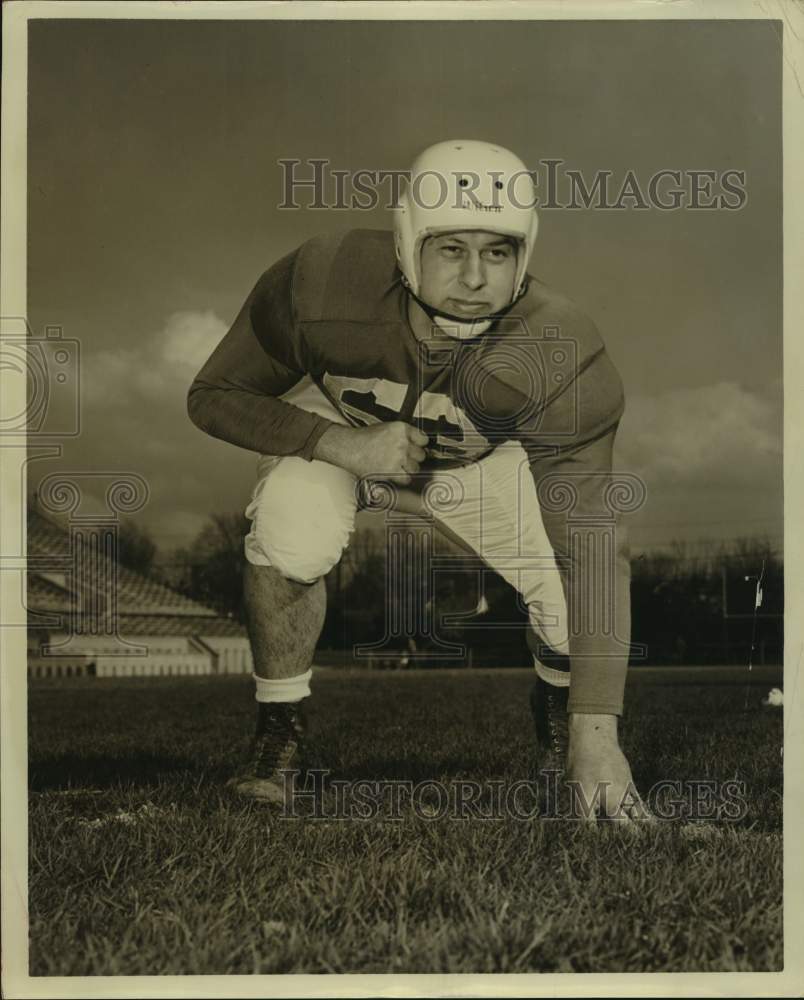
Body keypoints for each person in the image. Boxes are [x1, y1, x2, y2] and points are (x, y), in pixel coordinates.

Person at [187, 139, 649, 822]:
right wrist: (335, 440)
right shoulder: (321, 282)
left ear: (527, 255)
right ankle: (278, 737)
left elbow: (592, 544)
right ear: (407, 244)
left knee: (563, 593)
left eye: (497, 251)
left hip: (478, 465)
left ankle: (558, 729)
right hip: (342, 439)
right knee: (291, 526)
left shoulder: (561, 349)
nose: (473, 278)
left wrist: (598, 734)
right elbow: (214, 393)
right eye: (450, 249)